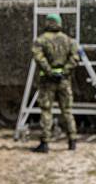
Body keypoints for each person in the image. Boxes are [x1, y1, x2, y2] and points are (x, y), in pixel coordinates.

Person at [31, 14, 80, 152]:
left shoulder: (41, 40)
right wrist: (64, 71)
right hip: (64, 81)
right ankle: (72, 141)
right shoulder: (69, 40)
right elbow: (75, 58)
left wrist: (50, 72)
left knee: (46, 111)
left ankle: (45, 143)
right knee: (67, 111)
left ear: (47, 23)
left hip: (47, 81)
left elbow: (38, 58)